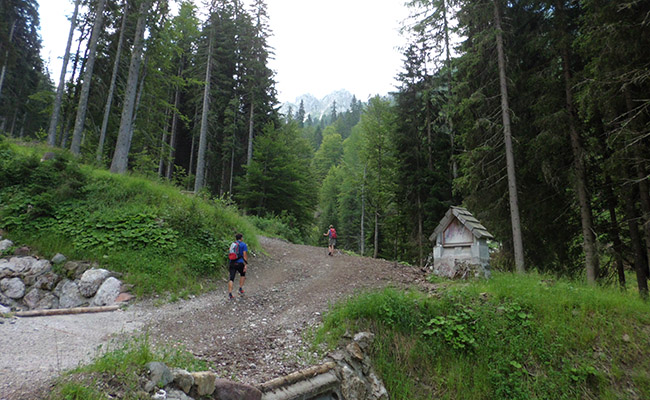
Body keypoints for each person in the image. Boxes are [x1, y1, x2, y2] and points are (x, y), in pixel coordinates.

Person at [228, 233, 248, 300]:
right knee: (243, 274)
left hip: (232, 262)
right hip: (239, 263)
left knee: (231, 278)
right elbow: (244, 255)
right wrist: (245, 264)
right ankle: (240, 288)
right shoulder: (243, 245)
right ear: (241, 238)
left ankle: (230, 293)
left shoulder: (233, 244)